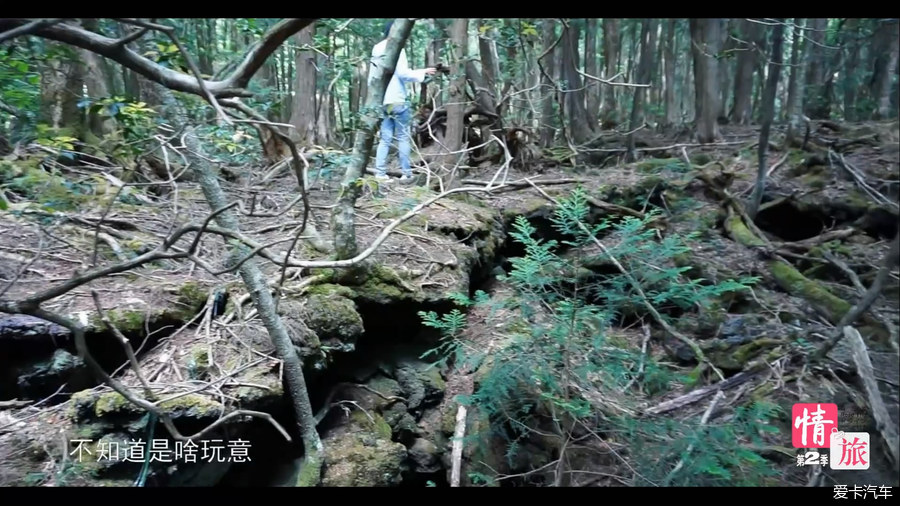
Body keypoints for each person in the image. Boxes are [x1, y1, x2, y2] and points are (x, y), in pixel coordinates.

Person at [370, 20, 435, 182]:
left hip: (383, 100)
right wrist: (423, 72)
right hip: (397, 99)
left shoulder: (377, 48)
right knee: (403, 137)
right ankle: (406, 174)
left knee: (385, 139)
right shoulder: (397, 48)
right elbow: (403, 74)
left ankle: (380, 173)